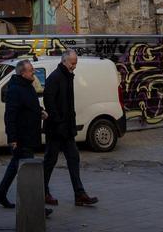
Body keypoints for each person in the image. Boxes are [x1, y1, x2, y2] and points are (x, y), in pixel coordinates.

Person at [0, 60, 52, 217]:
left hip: (29, 135)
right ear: (22, 73)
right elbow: (10, 116)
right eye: (31, 70)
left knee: (14, 166)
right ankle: (36, 208)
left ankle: (0, 193)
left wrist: (40, 111)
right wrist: (12, 138)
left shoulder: (27, 86)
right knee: (30, 174)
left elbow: (29, 105)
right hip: (22, 137)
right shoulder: (15, 90)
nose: (34, 72)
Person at [42, 49, 98, 207]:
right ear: (64, 61)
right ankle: (42, 191)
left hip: (66, 129)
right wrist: (58, 121)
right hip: (56, 129)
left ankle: (79, 194)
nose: (74, 66)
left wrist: (69, 125)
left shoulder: (67, 76)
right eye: (72, 63)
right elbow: (49, 101)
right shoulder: (55, 77)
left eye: (76, 63)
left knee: (73, 158)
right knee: (50, 161)